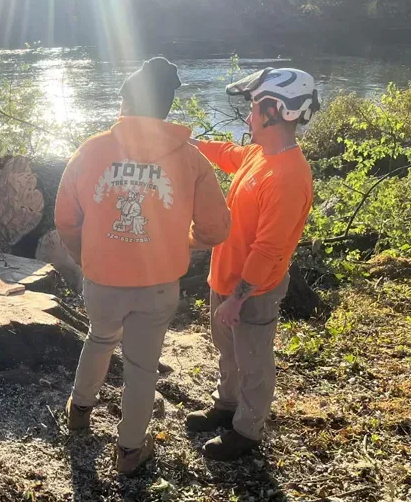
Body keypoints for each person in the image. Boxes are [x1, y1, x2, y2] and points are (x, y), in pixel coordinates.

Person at [55, 57, 231, 475]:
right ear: (166, 107)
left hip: (100, 280)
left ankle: (79, 411)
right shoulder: (190, 159)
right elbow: (216, 227)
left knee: (99, 337)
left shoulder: (91, 150)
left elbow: (65, 218)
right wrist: (184, 240)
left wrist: (87, 256)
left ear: (125, 102)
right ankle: (131, 451)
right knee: (141, 366)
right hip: (156, 286)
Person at [186, 67, 319, 461]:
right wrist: (187, 144)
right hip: (226, 278)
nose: (248, 117)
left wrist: (237, 299)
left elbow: (269, 250)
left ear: (276, 111)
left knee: (254, 360)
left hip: (252, 291)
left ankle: (247, 429)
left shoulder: (288, 176)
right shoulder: (262, 154)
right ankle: (225, 406)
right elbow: (230, 155)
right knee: (227, 350)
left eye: (254, 108)